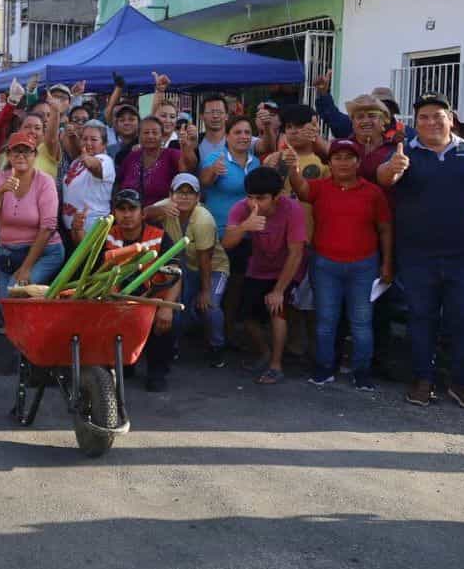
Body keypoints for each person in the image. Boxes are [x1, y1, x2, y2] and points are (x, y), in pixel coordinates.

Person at [376, 93, 464, 411]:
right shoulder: (405, 152)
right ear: (417, 123)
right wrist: (392, 168)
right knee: (420, 318)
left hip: (462, 255)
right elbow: (383, 178)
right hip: (416, 256)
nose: (431, 122)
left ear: (450, 118)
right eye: (424, 117)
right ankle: (422, 380)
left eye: (437, 116)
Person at [287, 140, 392, 390]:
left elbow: (385, 229)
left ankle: (362, 373)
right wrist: (292, 168)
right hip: (325, 265)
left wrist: (387, 263)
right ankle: (324, 369)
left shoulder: (373, 192)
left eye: (349, 157)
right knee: (326, 321)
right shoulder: (320, 187)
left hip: (364, 266)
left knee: (362, 323)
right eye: (337, 157)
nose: (343, 162)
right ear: (329, 162)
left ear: (358, 163)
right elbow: (301, 189)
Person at [222, 168, 307, 385]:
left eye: (261, 198)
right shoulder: (241, 208)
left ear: (277, 197)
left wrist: (279, 290)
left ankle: (276, 366)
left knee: (277, 310)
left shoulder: (293, 209)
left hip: (287, 269)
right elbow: (226, 244)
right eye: (250, 197)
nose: (254, 203)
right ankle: (265, 352)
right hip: (258, 268)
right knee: (247, 317)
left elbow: (296, 253)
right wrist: (244, 227)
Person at [148, 173, 229, 367]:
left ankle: (217, 346)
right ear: (171, 194)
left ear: (198, 197)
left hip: (213, 267)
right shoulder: (166, 206)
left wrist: (206, 291)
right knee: (176, 306)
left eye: (190, 193)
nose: (184, 197)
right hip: (182, 266)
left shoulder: (204, 219)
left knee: (211, 307)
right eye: (180, 192)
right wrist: (156, 210)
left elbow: (205, 259)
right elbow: (142, 214)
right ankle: (171, 346)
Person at [105, 190, 179, 391]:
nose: (127, 215)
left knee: (166, 321)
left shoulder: (160, 237)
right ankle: (126, 363)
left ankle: (157, 371)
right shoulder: (106, 236)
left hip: (151, 302)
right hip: (117, 303)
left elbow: (176, 276)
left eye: (132, 209)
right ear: (114, 212)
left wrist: (167, 308)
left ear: (142, 213)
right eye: (121, 209)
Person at [0, 131, 65, 298]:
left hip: (43, 252)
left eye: (26, 151)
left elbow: (48, 227)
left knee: (15, 294)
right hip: (8, 253)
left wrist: (26, 268)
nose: (21, 156)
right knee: (3, 302)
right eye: (16, 151)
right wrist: (1, 192)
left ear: (35, 155)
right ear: (8, 155)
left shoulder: (45, 181)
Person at [62, 120, 115, 238]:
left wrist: (85, 157)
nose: (88, 143)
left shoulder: (105, 160)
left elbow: (95, 165)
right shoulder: (77, 161)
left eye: (94, 139)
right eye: (84, 139)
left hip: (91, 230)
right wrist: (72, 138)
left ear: (104, 144)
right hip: (72, 229)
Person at [116, 116, 182, 207]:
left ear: (162, 136)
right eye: (146, 133)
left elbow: (188, 168)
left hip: (162, 216)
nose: (150, 136)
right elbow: (118, 184)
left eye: (155, 133)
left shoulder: (172, 155)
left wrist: (187, 148)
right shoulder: (131, 157)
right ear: (139, 136)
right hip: (130, 216)